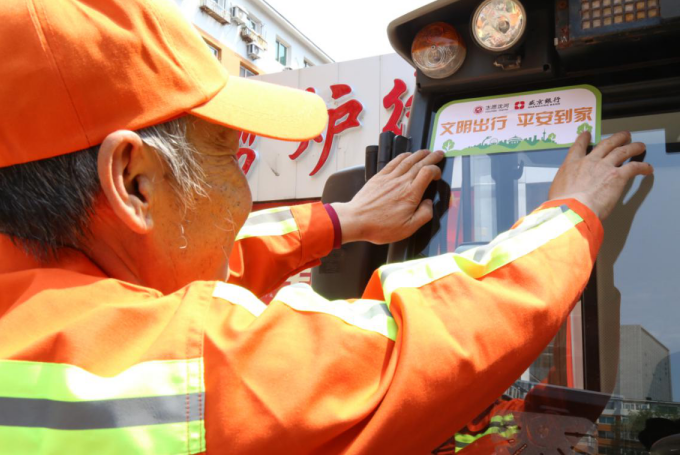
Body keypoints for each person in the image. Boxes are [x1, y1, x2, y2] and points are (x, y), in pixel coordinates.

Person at [0, 0, 653, 454]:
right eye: (229, 153)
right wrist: (572, 215)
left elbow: (177, 256)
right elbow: (410, 348)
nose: (244, 192)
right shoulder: (170, 376)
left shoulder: (35, 306)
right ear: (135, 181)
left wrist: (341, 221)